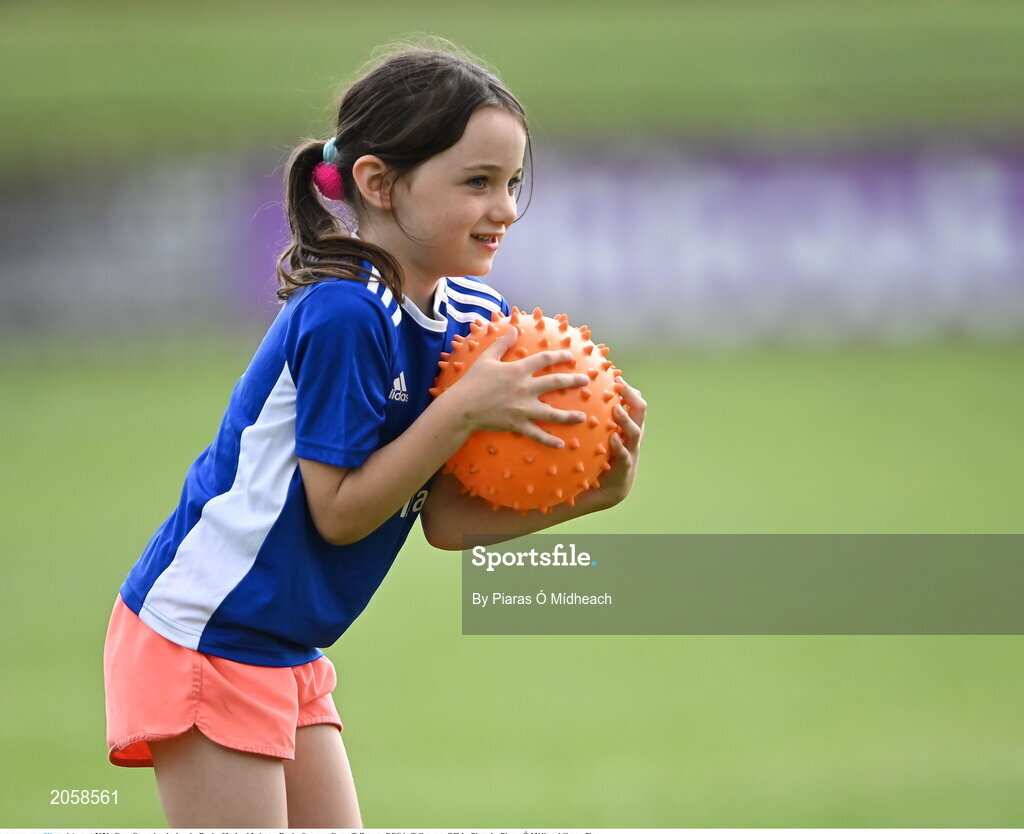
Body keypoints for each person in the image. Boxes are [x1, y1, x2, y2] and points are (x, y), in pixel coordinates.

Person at [102, 44, 646, 828]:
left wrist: (593, 496)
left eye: (513, 183)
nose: (505, 209)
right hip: (208, 633)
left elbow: (446, 520)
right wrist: (460, 413)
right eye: (477, 183)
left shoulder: (474, 322)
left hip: (283, 646)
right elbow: (340, 512)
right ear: (378, 184)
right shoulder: (345, 316)